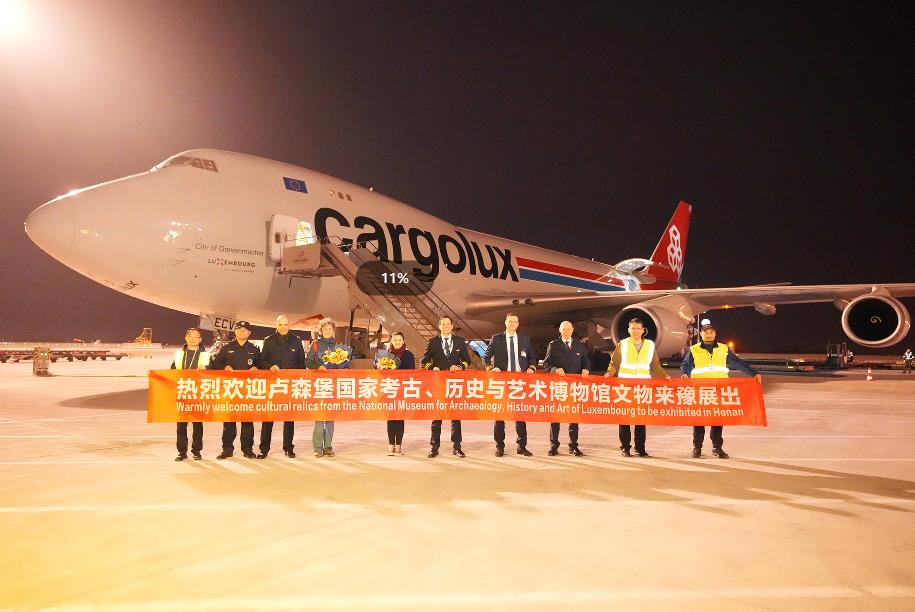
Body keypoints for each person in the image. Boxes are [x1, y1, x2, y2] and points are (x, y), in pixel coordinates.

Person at [681, 322, 762, 458]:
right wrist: (685, 373)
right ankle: (697, 448)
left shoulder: (723, 349)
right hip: (701, 390)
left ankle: (717, 448)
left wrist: (753, 373)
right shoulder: (694, 349)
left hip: (719, 390)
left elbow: (738, 362)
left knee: (717, 420)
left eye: (711, 332)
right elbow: (686, 364)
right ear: (701, 334)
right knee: (699, 420)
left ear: (715, 334)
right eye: (706, 332)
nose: (709, 334)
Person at [605, 317, 670, 457]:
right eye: (632, 328)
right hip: (625, 388)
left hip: (642, 388)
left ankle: (640, 448)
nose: (635, 331)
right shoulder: (622, 344)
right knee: (624, 419)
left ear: (643, 330)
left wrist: (665, 376)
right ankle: (625, 448)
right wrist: (609, 373)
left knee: (641, 419)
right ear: (629, 330)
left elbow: (655, 365)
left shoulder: (650, 345)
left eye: (638, 328)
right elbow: (614, 363)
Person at [484, 313, 538, 456]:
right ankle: (499, 446)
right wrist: (490, 368)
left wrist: (532, 367)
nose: (512, 323)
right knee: (500, 416)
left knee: (520, 415)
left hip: (519, 383)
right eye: (510, 321)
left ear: (518, 324)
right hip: (502, 382)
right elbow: (486, 358)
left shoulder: (525, 339)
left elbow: (532, 357)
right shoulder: (496, 338)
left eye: (515, 321)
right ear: (505, 322)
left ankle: (521, 446)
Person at [422, 316, 472, 458]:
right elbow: (425, 361)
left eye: (448, 324)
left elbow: (467, 360)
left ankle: (457, 447)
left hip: (454, 384)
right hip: (438, 383)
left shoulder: (460, 341)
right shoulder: (433, 342)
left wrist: (460, 367)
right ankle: (434, 447)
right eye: (443, 324)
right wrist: (433, 368)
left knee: (455, 416)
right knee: (437, 416)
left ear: (452, 326)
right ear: (439, 326)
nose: (445, 326)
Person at [210, 321, 261, 459]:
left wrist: (257, 368)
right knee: (229, 422)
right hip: (231, 390)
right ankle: (227, 449)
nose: (241, 332)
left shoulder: (254, 349)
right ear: (235, 332)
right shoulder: (227, 348)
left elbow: (261, 365)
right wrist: (224, 367)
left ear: (249, 333)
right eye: (239, 330)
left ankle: (247, 449)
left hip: (247, 391)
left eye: (244, 330)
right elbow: (215, 364)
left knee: (247, 422)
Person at [257, 314, 305, 459]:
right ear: (276, 325)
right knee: (268, 418)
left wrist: (296, 379)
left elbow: (301, 364)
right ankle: (264, 449)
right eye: (280, 324)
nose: (283, 327)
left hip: (289, 385)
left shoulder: (296, 341)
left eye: (285, 324)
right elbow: (261, 361)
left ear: (289, 325)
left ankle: (288, 448)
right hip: (272, 385)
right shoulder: (269, 341)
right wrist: (270, 366)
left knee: (289, 418)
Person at [542, 321, 590, 456]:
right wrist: (555, 369)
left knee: (573, 417)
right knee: (555, 417)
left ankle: (573, 446)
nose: (566, 331)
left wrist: (586, 369)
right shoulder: (554, 345)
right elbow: (546, 364)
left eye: (569, 329)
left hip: (574, 386)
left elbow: (586, 360)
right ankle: (554, 446)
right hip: (559, 386)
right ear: (560, 330)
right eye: (564, 329)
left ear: (572, 329)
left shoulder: (579, 344)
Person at [305, 317, 344, 457]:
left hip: (333, 386)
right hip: (319, 386)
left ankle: (328, 446)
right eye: (325, 329)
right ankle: (317, 447)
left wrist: (342, 365)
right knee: (320, 419)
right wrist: (318, 366)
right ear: (321, 331)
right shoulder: (315, 344)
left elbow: (343, 365)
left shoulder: (338, 346)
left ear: (333, 331)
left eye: (330, 329)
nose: (328, 331)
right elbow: (308, 361)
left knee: (330, 419)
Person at [171, 327, 209, 461]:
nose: (193, 339)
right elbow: (172, 371)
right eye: (191, 337)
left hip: (198, 393)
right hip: (183, 392)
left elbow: (212, 373)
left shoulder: (206, 355)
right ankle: (182, 452)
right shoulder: (179, 354)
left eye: (196, 337)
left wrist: (206, 369)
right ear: (186, 338)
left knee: (197, 425)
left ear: (200, 339)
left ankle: (196, 451)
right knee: (181, 425)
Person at [381, 331, 415, 455]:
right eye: (395, 340)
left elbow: (411, 371)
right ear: (391, 341)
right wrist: (380, 367)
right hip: (389, 389)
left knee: (400, 417)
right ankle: (391, 445)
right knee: (390, 418)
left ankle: (399, 445)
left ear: (403, 341)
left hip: (402, 389)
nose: (397, 342)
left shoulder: (408, 355)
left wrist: (397, 369)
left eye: (399, 340)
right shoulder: (385, 354)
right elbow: (378, 370)